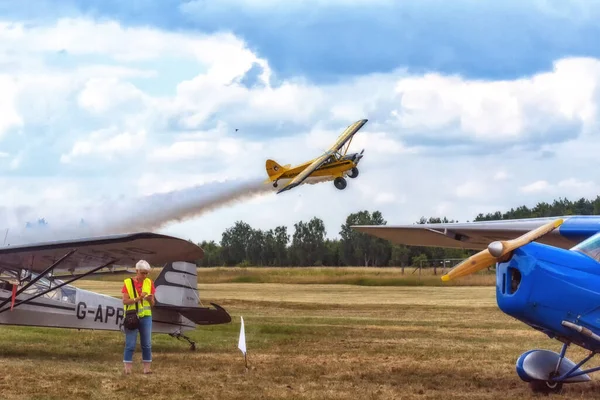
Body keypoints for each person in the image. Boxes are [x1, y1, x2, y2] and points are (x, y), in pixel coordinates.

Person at [122, 259, 156, 374]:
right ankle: (127, 370)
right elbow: (125, 301)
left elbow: (153, 304)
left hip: (146, 316)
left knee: (146, 344)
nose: (145, 275)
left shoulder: (149, 283)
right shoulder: (127, 283)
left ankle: (147, 369)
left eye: (147, 273)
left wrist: (151, 300)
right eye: (142, 273)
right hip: (132, 316)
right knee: (130, 344)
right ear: (136, 271)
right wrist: (139, 298)